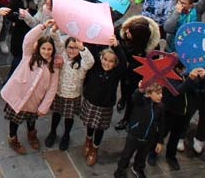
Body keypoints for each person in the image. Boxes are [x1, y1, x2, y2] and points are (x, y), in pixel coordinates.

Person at [0, 20, 59, 155]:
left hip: (34, 102)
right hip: (18, 96)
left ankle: (31, 134)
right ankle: (12, 138)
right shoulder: (28, 56)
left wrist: (44, 107)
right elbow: (28, 39)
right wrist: (43, 26)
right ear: (38, 48)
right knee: (14, 121)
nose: (46, 51)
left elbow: (52, 89)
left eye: (49, 49)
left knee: (31, 120)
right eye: (43, 48)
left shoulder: (54, 67)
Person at [80, 36, 127, 165]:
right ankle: (88, 140)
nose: (107, 63)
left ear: (115, 63)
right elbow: (93, 51)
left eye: (111, 61)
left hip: (105, 106)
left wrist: (116, 46)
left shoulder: (116, 73)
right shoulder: (95, 67)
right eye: (105, 59)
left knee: (99, 129)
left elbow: (123, 62)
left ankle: (95, 148)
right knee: (90, 125)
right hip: (91, 102)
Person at [44, 35, 93, 150]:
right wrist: (54, 31)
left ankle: (66, 135)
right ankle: (52, 132)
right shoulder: (62, 57)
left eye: (75, 48)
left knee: (69, 118)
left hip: (73, 95)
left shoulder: (83, 63)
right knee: (56, 114)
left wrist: (82, 49)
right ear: (66, 47)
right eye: (70, 47)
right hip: (58, 93)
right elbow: (57, 41)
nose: (72, 50)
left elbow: (91, 61)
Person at [113, 83, 165, 178]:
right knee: (126, 155)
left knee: (142, 157)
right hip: (134, 136)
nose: (161, 96)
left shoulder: (160, 107)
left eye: (161, 93)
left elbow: (161, 125)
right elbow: (135, 97)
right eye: (157, 93)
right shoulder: (141, 102)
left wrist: (160, 141)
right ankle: (120, 170)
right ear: (149, 93)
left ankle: (138, 168)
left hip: (149, 138)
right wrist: (140, 89)